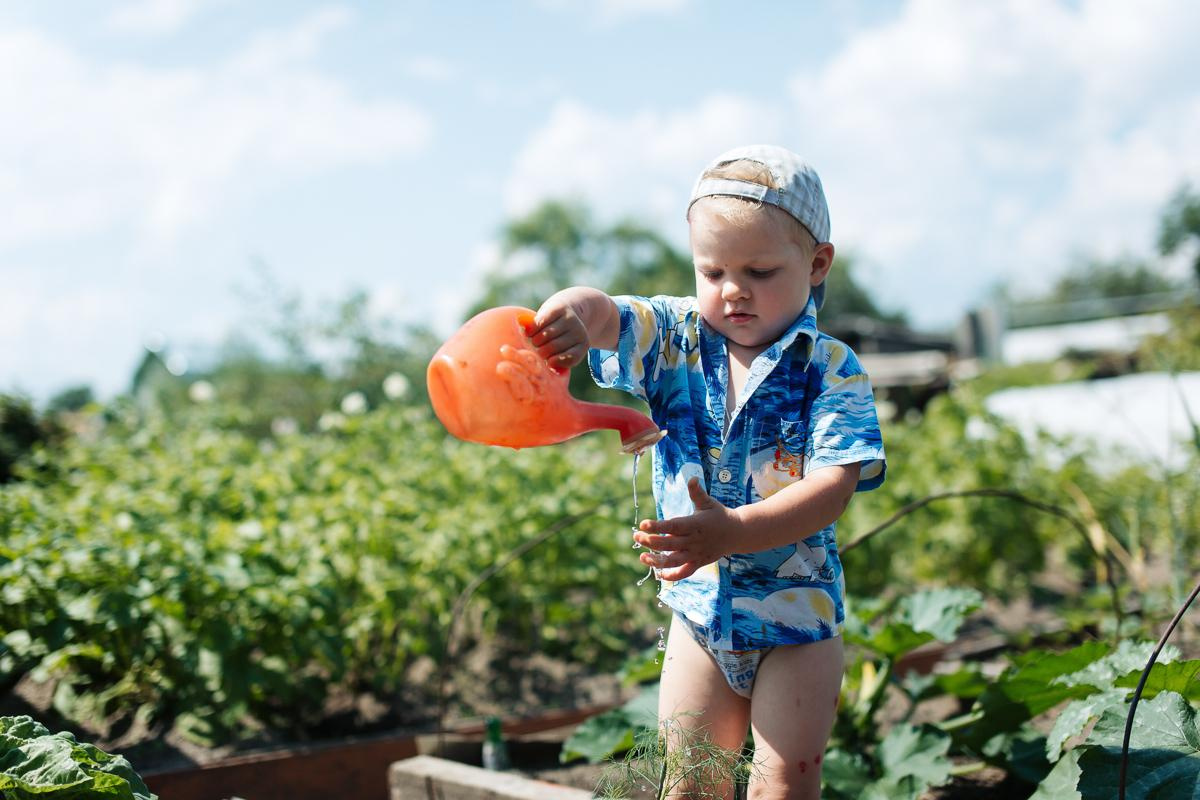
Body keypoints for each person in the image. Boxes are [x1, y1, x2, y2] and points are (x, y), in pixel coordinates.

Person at [526, 145, 886, 799]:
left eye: (759, 269)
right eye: (712, 269)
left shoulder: (830, 368)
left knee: (783, 784)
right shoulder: (673, 339)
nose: (732, 289)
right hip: (698, 617)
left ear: (817, 263)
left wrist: (732, 531)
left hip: (795, 622)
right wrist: (573, 312)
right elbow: (609, 313)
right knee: (690, 784)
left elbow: (831, 489)